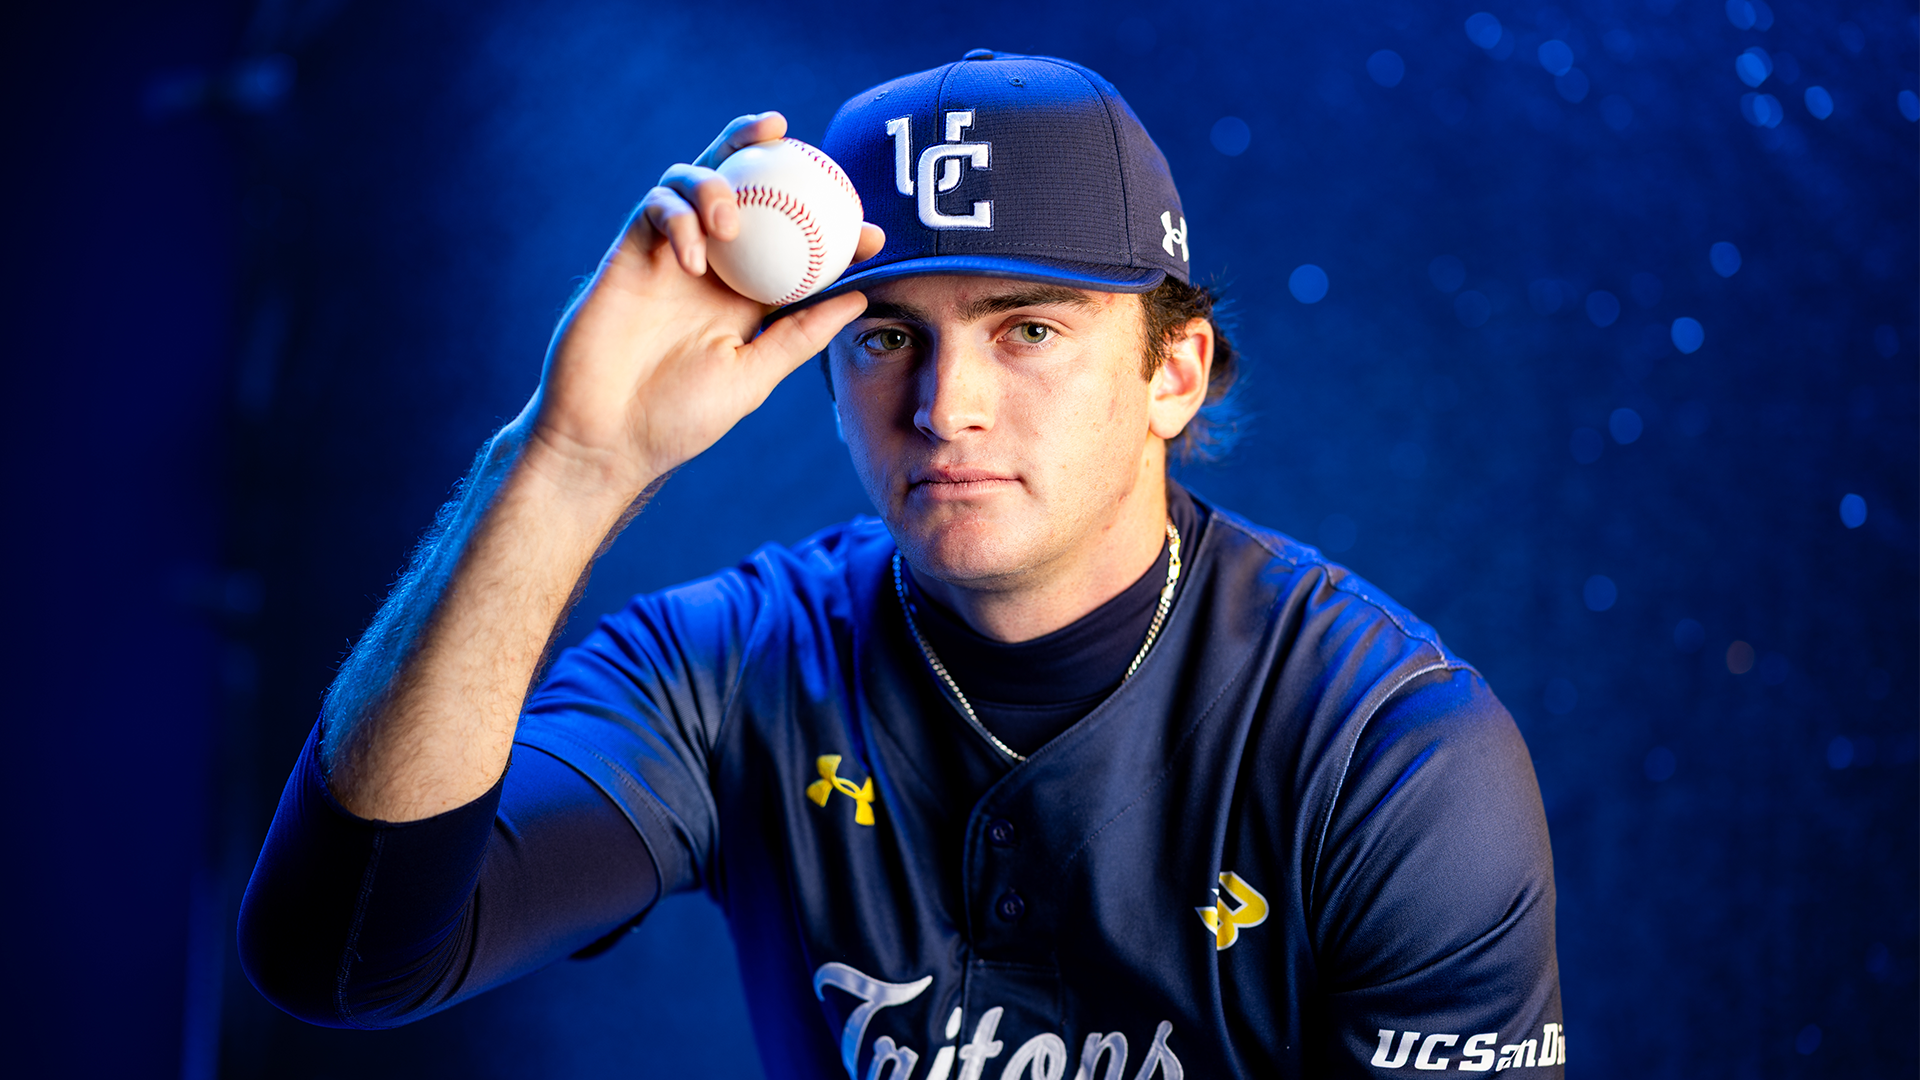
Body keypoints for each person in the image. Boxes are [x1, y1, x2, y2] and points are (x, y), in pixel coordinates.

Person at [240, 50, 1565, 1078]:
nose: (944, 407)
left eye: (1027, 329)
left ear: (1173, 372)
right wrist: (566, 462)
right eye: (884, 339)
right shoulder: (730, 667)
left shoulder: (1388, 751)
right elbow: (345, 960)